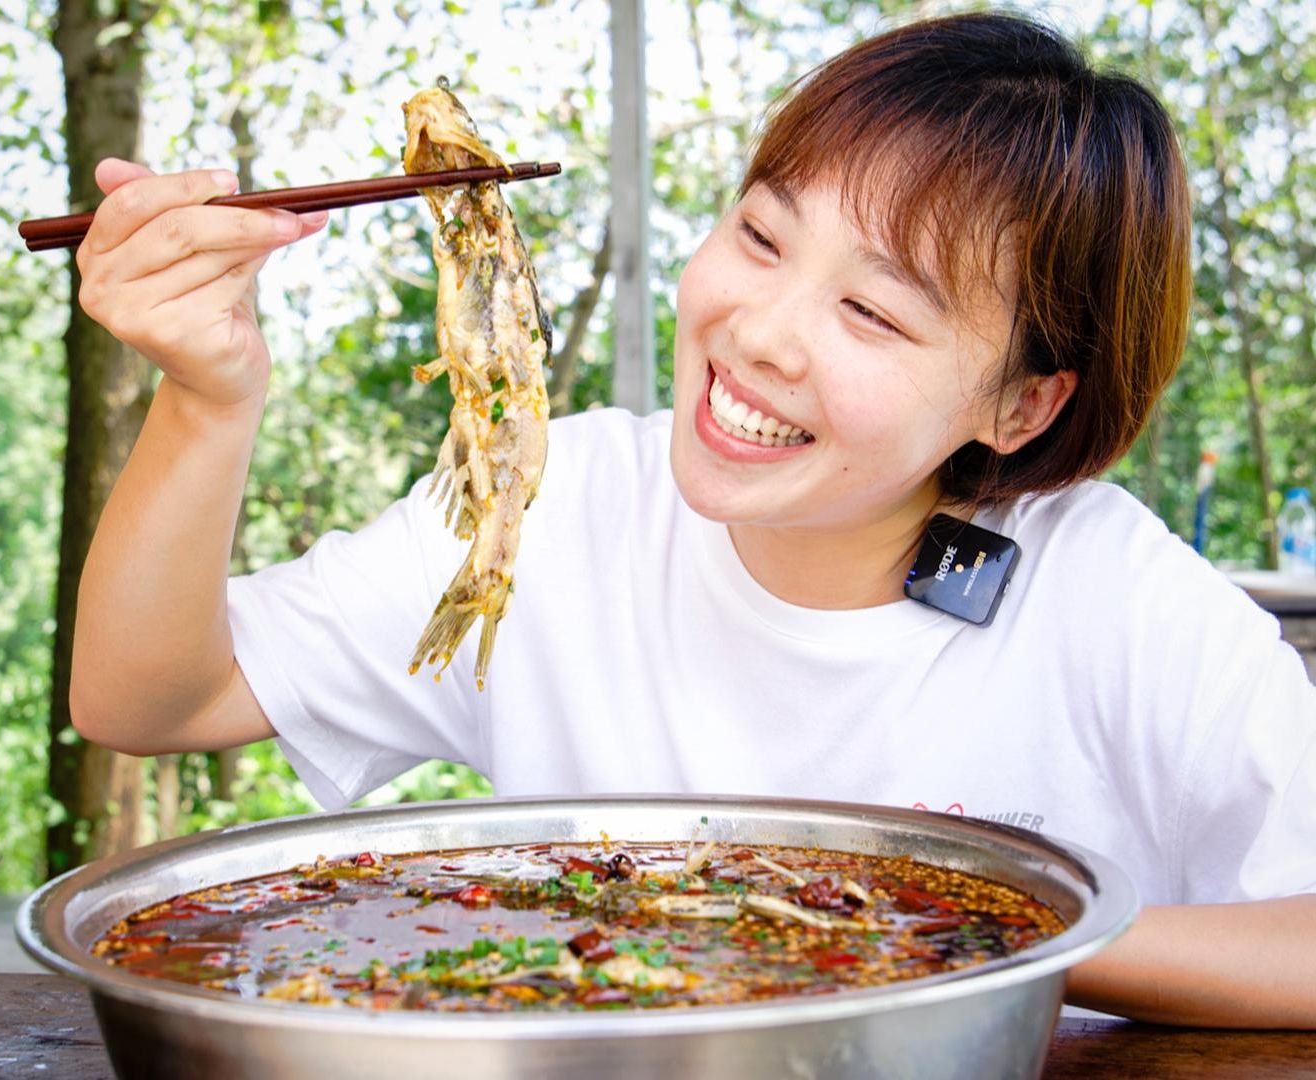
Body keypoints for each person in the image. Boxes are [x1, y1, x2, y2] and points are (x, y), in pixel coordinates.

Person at [66, 11, 1315, 1028]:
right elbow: (152, 702)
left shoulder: (1107, 596)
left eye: (872, 313)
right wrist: (207, 396)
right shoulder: (554, 507)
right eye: (761, 236)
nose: (760, 331)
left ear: (1024, 403)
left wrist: (972, 935)